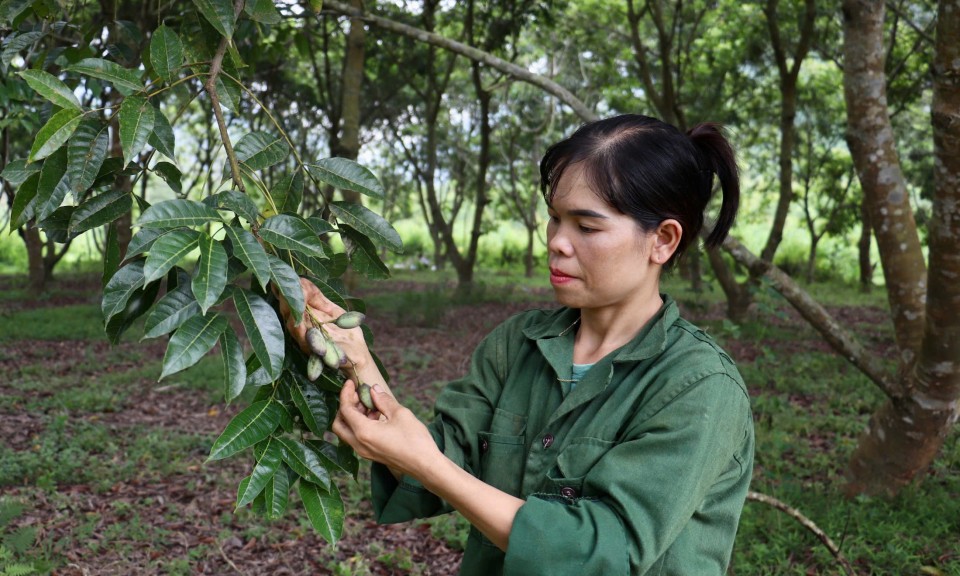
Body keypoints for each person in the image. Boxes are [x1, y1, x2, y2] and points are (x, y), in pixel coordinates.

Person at [287, 114, 754, 575]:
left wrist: (426, 463)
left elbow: (600, 554)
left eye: (587, 227)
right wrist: (356, 359)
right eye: (554, 219)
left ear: (663, 241)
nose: (556, 243)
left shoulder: (700, 389)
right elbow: (437, 468)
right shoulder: (519, 344)